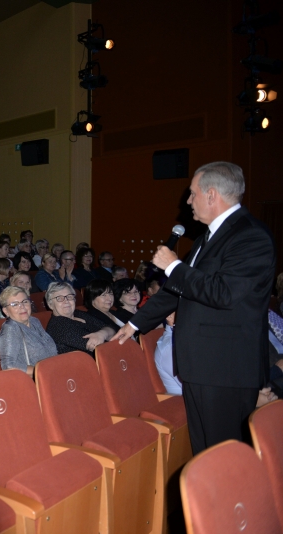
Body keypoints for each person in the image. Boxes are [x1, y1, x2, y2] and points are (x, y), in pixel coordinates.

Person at [114, 162, 275, 455]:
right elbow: (177, 289)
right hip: (201, 365)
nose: (188, 201)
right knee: (204, 452)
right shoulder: (207, 237)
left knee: (225, 454)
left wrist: (174, 266)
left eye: (192, 193)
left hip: (225, 368)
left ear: (211, 195)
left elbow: (224, 293)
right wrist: (135, 324)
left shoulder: (250, 235)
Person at [0, 286, 57, 373]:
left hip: (54, 369)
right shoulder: (10, 329)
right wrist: (39, 372)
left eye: (25, 301)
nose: (22, 306)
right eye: (15, 304)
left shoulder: (34, 321)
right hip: (37, 377)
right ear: (6, 311)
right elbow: (8, 365)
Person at [45, 282, 114, 357]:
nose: (66, 301)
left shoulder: (78, 313)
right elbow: (98, 346)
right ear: (50, 305)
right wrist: (106, 334)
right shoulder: (58, 327)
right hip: (92, 362)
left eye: (69, 297)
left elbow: (110, 328)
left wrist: (103, 333)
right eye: (59, 298)